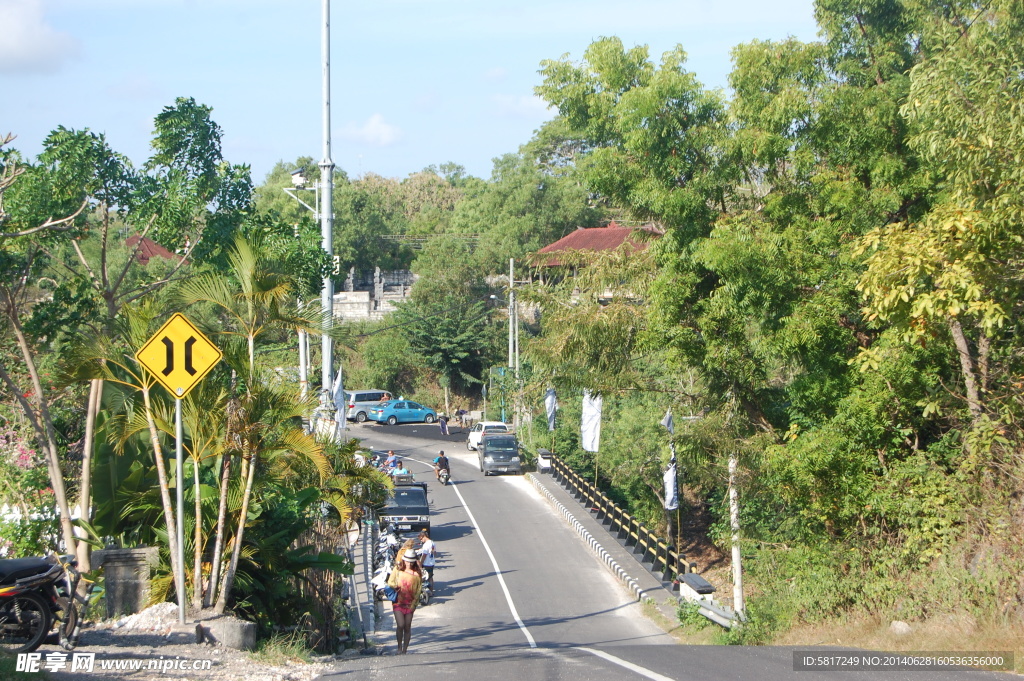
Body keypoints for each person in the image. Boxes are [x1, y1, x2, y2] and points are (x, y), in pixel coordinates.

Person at [387, 549, 422, 654]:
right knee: (400, 624)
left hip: (410, 604)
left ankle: (405, 649)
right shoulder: (397, 570)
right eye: (407, 561)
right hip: (398, 602)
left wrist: (414, 604)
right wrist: (396, 586)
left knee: (407, 626)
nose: (409, 563)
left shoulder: (417, 574)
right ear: (404, 560)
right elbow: (390, 582)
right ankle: (399, 647)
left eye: (411, 561)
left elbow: (418, 590)